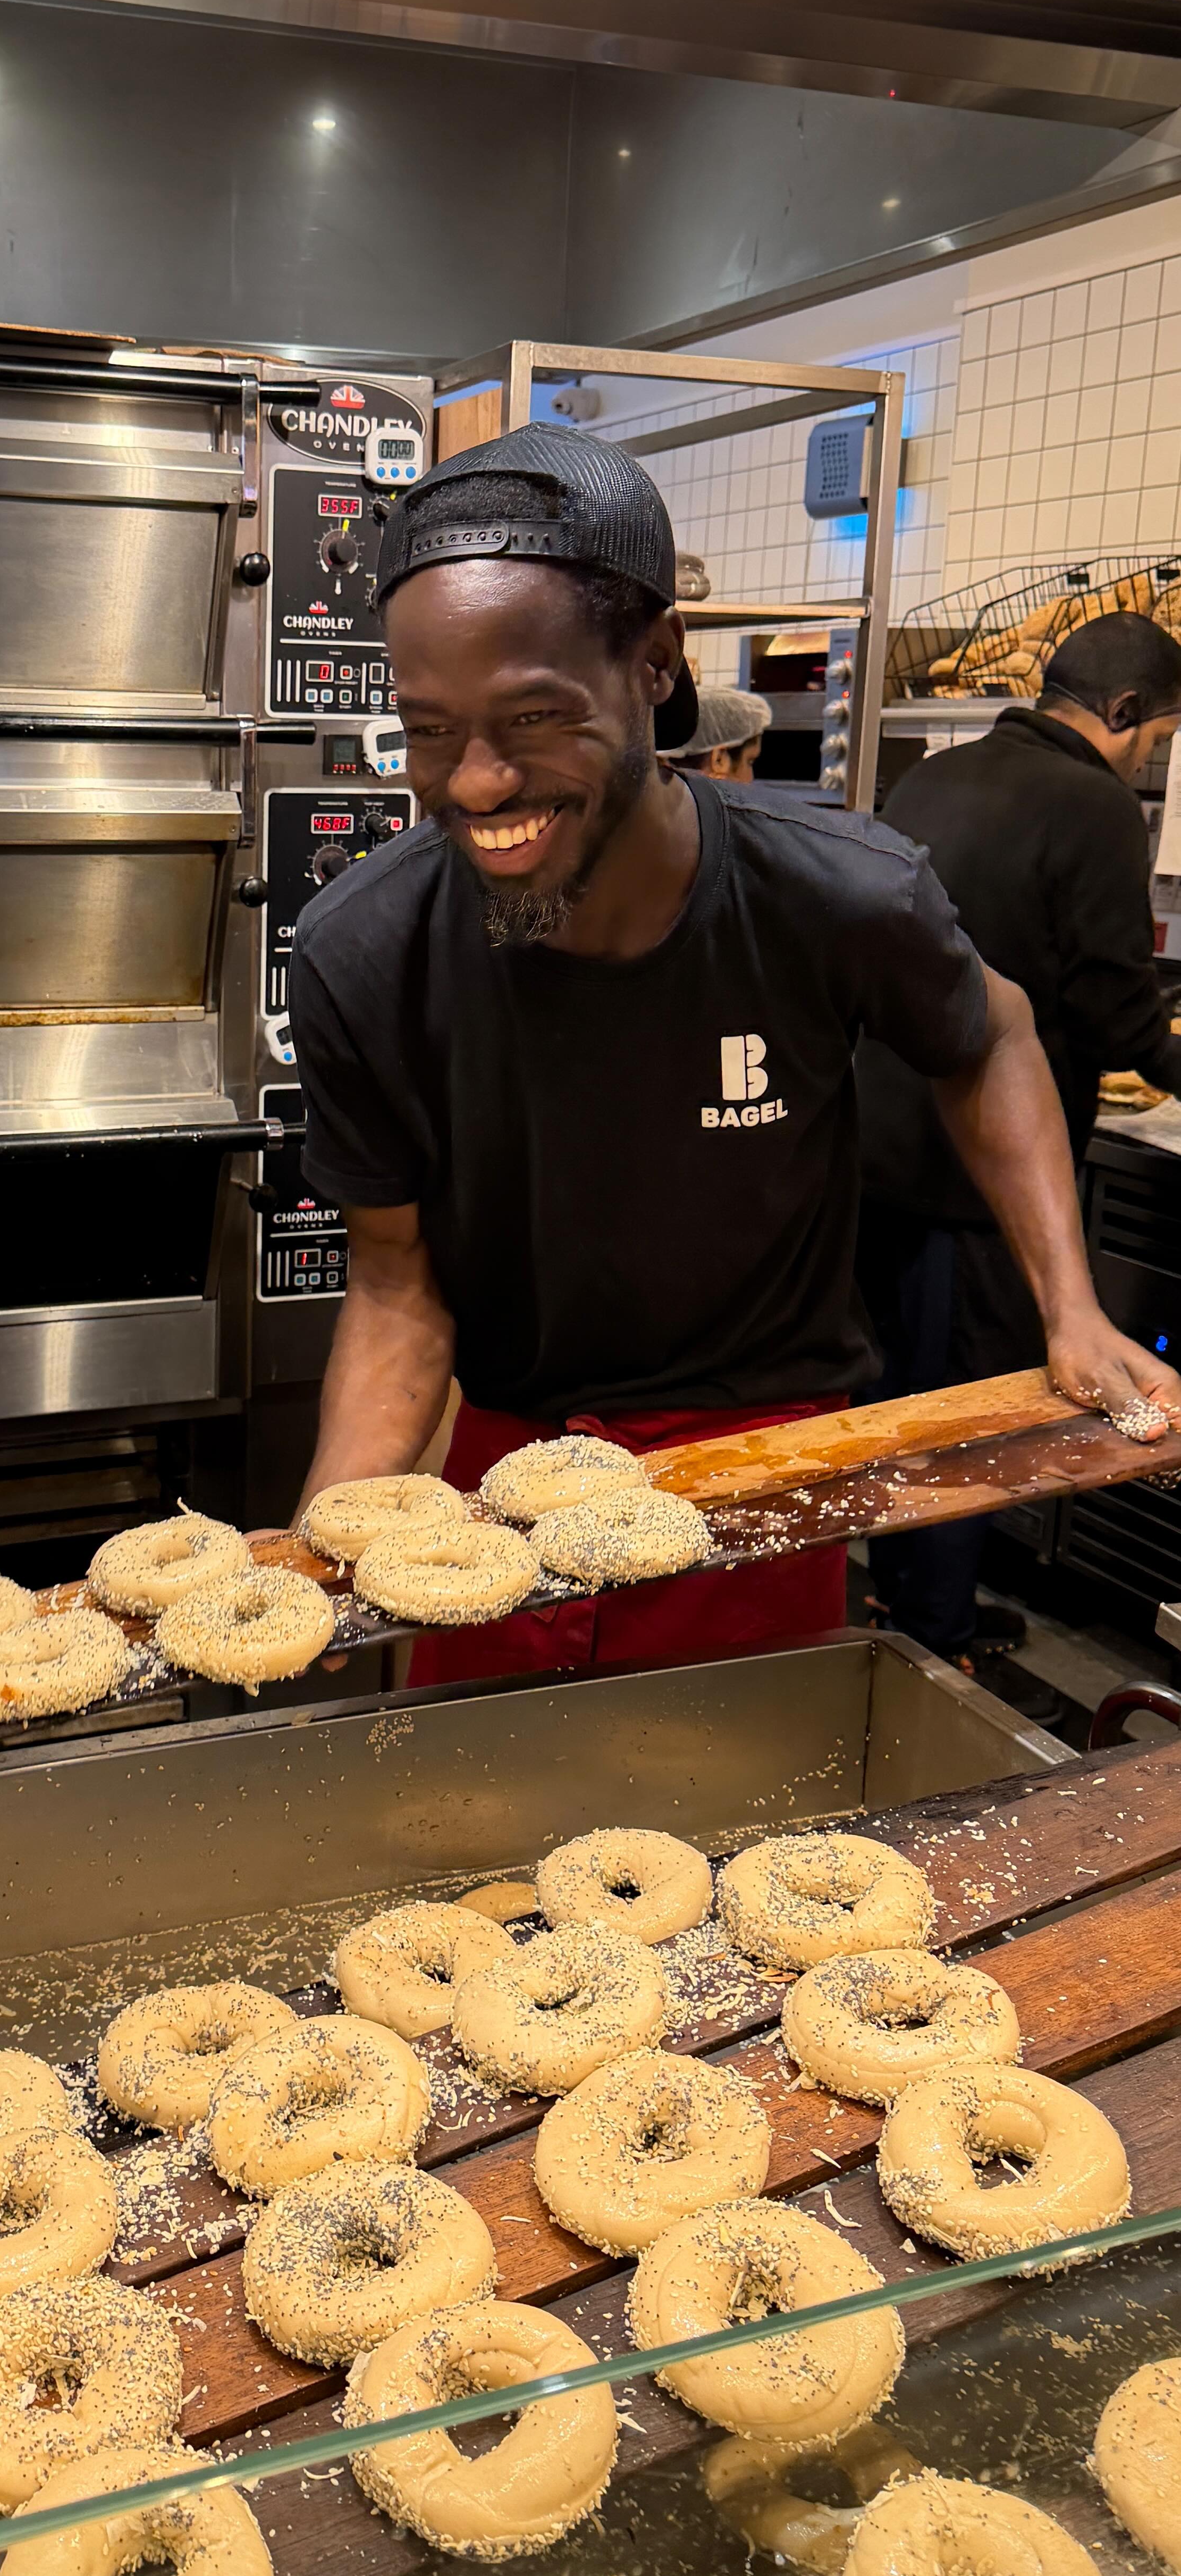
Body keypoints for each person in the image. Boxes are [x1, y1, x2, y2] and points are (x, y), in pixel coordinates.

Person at [285, 423, 1179, 1689]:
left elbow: (993, 1039)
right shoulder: (364, 954)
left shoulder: (832, 893)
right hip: (503, 1475)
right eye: (429, 734)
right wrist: (333, 1545)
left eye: (532, 719)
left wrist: (1068, 1309)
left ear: (655, 665)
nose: (476, 786)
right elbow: (393, 1288)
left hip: (760, 1469)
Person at [856, 607, 1181, 1666]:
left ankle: (895, 1607)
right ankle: (936, 1646)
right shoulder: (1093, 805)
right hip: (982, 1172)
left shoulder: (935, 775)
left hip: (876, 1148)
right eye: (1159, 739)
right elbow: (1116, 1011)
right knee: (974, 1414)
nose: (1153, 761)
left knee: (897, 1402)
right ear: (1123, 712)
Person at [660, 684, 769, 783]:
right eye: (750, 762)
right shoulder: (705, 804)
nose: (751, 778)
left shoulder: (658, 798)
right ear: (719, 759)